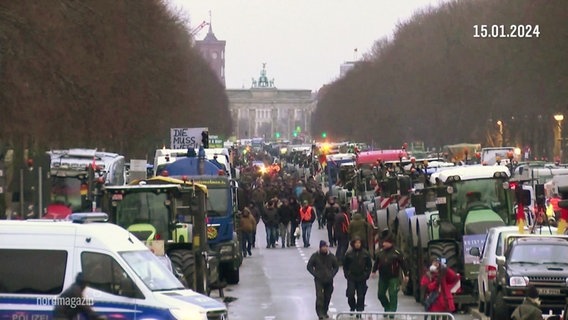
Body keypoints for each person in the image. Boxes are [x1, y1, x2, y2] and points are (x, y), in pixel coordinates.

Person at [371, 233, 409, 317]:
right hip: (383, 277)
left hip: (393, 277)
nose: (384, 244)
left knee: (393, 294)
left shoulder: (397, 252)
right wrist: (373, 271)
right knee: (380, 294)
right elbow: (377, 262)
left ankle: (392, 312)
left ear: (391, 243)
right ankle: (387, 307)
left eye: (386, 242)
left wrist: (406, 274)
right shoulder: (380, 252)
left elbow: (403, 264)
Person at [307, 240, 339, 320]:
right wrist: (315, 274)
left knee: (327, 296)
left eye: (326, 247)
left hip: (329, 280)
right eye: (323, 247)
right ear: (320, 248)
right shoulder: (315, 256)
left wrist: (332, 274)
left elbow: (336, 266)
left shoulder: (331, 256)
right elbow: (309, 266)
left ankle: (325, 311)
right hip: (319, 280)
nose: (325, 248)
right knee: (320, 296)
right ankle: (320, 313)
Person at [343, 237, 373, 314]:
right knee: (350, 294)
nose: (357, 245)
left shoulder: (365, 253)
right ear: (353, 244)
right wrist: (347, 274)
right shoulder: (349, 253)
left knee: (361, 295)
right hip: (351, 277)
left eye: (359, 243)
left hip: (361, 277)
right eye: (356, 243)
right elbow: (345, 265)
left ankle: (359, 311)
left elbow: (369, 265)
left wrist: (366, 274)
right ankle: (352, 307)